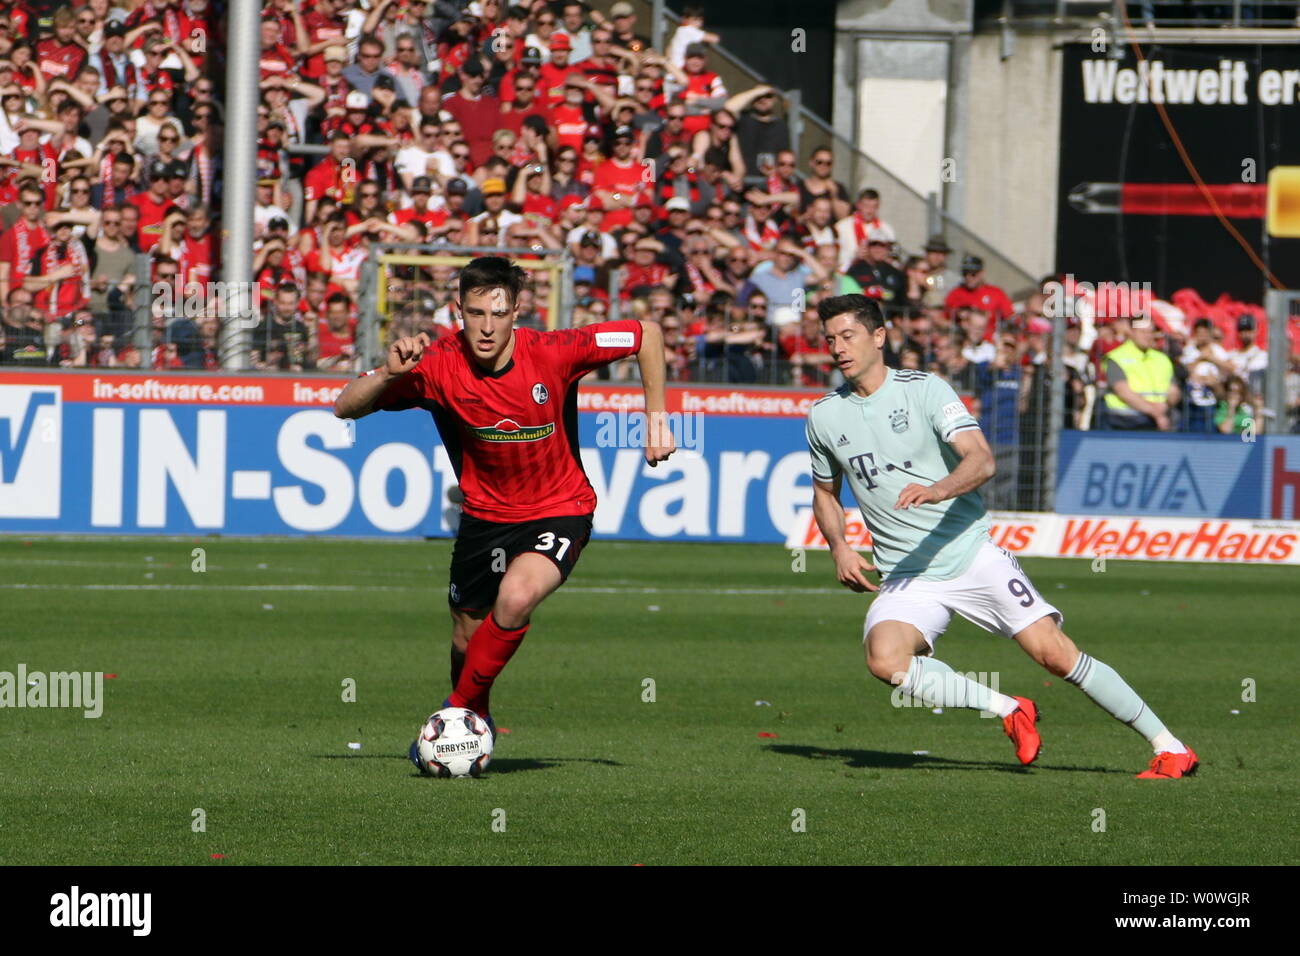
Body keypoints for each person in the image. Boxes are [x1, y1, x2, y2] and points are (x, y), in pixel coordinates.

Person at [804, 293, 1198, 779]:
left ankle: (1170, 746)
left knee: (1054, 654)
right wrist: (839, 546)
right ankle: (1010, 708)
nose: (838, 347)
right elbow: (825, 492)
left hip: (969, 554)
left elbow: (982, 459)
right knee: (885, 660)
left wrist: (937, 489)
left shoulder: (926, 390)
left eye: (848, 335)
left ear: (878, 336)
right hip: (907, 575)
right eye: (830, 339)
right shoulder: (824, 415)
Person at [331, 256, 675, 763]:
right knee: (467, 632)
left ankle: (452, 716)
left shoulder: (554, 352)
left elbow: (645, 332)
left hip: (560, 506)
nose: (487, 327)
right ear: (458, 311)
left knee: (514, 599)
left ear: (517, 310)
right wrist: (387, 372)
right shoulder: (436, 363)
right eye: (475, 313)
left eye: (498, 313)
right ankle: (475, 721)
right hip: (486, 518)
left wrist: (657, 416)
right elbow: (345, 406)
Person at [1103, 316, 1179, 430]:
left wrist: (1165, 406)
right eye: (1143, 332)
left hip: (1161, 420)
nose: (1147, 336)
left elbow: (1173, 390)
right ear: (1131, 331)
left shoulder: (1162, 359)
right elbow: (1123, 392)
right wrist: (1155, 413)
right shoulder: (1116, 357)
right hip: (1125, 422)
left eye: (1150, 332)